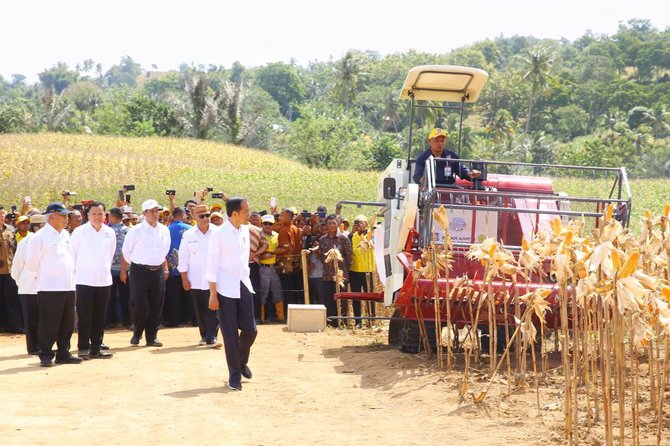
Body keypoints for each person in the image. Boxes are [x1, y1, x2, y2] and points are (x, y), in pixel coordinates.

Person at [206, 197, 256, 391]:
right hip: (224, 288)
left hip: (243, 283)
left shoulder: (244, 230)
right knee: (230, 333)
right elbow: (211, 265)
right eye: (246, 211)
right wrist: (212, 294)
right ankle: (234, 375)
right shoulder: (218, 234)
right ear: (234, 214)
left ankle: (241, 362)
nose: (249, 214)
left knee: (251, 330)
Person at [25, 203, 81, 367]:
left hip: (68, 284)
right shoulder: (40, 237)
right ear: (52, 216)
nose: (66, 219)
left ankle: (63, 353)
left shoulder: (65, 234)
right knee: (49, 322)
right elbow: (31, 264)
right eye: (63, 216)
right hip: (50, 286)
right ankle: (46, 354)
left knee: (67, 322)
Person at [121, 199, 171, 347]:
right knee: (140, 304)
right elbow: (126, 251)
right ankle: (137, 333)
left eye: (157, 210)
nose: (156, 214)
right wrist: (137, 263)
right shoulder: (135, 230)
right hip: (140, 271)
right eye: (152, 211)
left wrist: (159, 263)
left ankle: (152, 336)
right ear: (144, 213)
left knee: (157, 304)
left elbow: (166, 249)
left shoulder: (164, 229)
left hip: (157, 271)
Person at [70, 201, 116, 359]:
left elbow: (110, 255)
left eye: (100, 214)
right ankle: (83, 347)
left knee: (100, 315)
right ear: (87, 215)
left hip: (103, 280)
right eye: (94, 214)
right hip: (84, 280)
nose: (97, 217)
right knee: (85, 315)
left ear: (105, 215)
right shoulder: (79, 232)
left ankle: (97, 347)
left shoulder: (109, 232)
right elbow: (72, 255)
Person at [178, 205, 221, 348]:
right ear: (194, 217)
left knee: (213, 307)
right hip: (195, 278)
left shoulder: (217, 233)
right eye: (201, 216)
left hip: (214, 279)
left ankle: (212, 337)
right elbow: (183, 258)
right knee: (199, 308)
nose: (205, 219)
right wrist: (184, 278)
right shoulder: (188, 235)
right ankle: (204, 335)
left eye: (207, 215)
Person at [11, 214, 46, 354]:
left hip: (45, 286)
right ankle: (33, 348)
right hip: (28, 286)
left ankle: (44, 346)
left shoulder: (46, 241)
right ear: (37, 228)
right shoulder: (25, 242)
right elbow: (16, 267)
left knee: (44, 318)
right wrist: (22, 283)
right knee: (31, 320)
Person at [315, 214, 353, 327]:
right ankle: (331, 322)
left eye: (333, 223)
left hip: (340, 275)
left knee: (342, 299)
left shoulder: (343, 239)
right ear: (326, 225)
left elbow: (349, 256)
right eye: (329, 223)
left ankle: (343, 321)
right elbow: (322, 256)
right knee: (328, 298)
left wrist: (343, 269)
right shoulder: (323, 239)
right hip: (327, 274)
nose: (331, 225)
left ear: (337, 224)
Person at [412, 127, 480, 186]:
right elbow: (417, 177)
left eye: (442, 141)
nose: (440, 143)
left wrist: (471, 174)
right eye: (437, 141)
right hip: (431, 191)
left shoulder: (452, 157)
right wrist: (424, 181)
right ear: (429, 142)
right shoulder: (423, 158)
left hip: (449, 190)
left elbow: (462, 171)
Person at [164, 207, 192, 327]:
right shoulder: (190, 229)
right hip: (188, 269)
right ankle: (191, 318)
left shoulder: (166, 230)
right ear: (182, 215)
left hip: (171, 269)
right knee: (189, 296)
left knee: (173, 296)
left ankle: (173, 320)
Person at [275, 208, 303, 315]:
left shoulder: (284, 230)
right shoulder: (296, 228)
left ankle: (289, 315)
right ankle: (297, 313)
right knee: (296, 290)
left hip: (286, 266)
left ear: (288, 218)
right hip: (296, 265)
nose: (279, 218)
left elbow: (285, 248)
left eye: (282, 216)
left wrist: (271, 251)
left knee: (288, 291)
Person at [107, 207, 131, 329]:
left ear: (113, 217)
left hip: (110, 269)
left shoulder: (107, 230)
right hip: (126, 268)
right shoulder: (128, 230)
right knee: (126, 296)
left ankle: (108, 321)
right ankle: (128, 320)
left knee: (109, 297)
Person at [349, 215, 376, 321]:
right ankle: (358, 320)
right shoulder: (353, 237)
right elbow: (357, 252)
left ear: (366, 224)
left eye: (362, 222)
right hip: (355, 270)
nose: (360, 225)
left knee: (370, 296)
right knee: (356, 296)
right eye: (357, 223)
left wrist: (366, 241)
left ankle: (371, 319)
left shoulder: (371, 236)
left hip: (368, 270)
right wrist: (363, 243)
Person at [257, 214, 283, 322]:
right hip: (262, 267)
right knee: (263, 292)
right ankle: (261, 318)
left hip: (275, 267)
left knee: (278, 291)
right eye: (265, 223)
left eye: (270, 224)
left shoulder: (277, 235)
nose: (268, 225)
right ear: (261, 224)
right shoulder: (258, 235)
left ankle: (281, 317)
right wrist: (261, 256)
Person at [0, 206, 22, 334]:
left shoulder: (10, 230)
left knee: (12, 299)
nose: (2, 216)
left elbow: (15, 249)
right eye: (0, 214)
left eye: (3, 213)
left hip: (10, 271)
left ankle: (15, 325)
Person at [248, 211, 268, 323]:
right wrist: (255, 253)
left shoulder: (238, 228)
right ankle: (256, 317)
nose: (254, 221)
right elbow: (265, 245)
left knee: (252, 290)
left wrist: (255, 254)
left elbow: (266, 245)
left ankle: (255, 317)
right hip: (250, 263)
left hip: (250, 264)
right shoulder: (258, 230)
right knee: (254, 290)